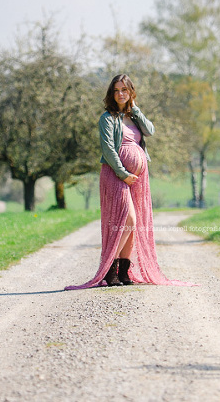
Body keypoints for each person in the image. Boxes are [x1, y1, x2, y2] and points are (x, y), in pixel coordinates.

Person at [66, 74, 194, 290]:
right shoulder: (107, 118)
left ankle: (124, 271)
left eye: (124, 90)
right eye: (116, 90)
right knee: (129, 219)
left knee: (135, 226)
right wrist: (123, 172)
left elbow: (150, 131)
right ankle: (110, 268)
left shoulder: (133, 117)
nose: (120, 94)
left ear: (131, 92)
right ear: (111, 94)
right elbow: (108, 149)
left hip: (137, 179)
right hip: (116, 174)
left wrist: (135, 109)